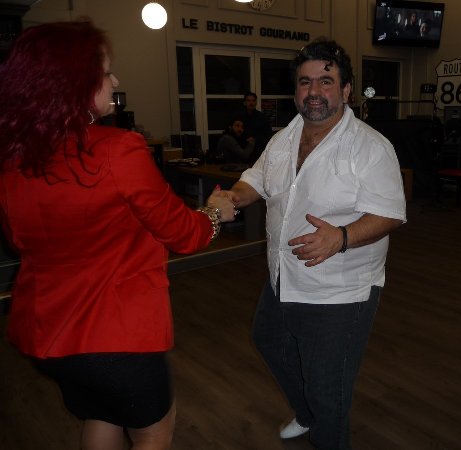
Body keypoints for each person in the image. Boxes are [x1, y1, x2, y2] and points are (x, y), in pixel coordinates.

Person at [0, 20, 235, 449]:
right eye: (107, 72)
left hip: (45, 333)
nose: (116, 81)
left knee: (102, 413)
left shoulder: (14, 159)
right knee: (153, 430)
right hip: (115, 336)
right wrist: (215, 213)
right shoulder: (118, 149)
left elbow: (20, 241)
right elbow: (185, 235)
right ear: (74, 83)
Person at [218, 38, 406, 449]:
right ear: (296, 90)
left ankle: (322, 423)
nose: (314, 91)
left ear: (345, 90)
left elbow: (390, 213)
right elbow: (255, 179)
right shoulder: (284, 138)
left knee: (328, 387)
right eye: (305, 82)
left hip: (340, 289)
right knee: (269, 340)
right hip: (284, 276)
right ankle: (307, 413)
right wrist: (233, 196)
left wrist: (341, 237)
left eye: (326, 81)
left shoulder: (370, 147)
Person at [240, 91, 272, 163]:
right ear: (244, 103)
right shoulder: (240, 117)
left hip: (259, 150)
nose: (251, 103)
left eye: (253, 100)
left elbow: (268, 134)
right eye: (248, 100)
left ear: (256, 102)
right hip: (243, 148)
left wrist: (255, 139)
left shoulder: (262, 117)